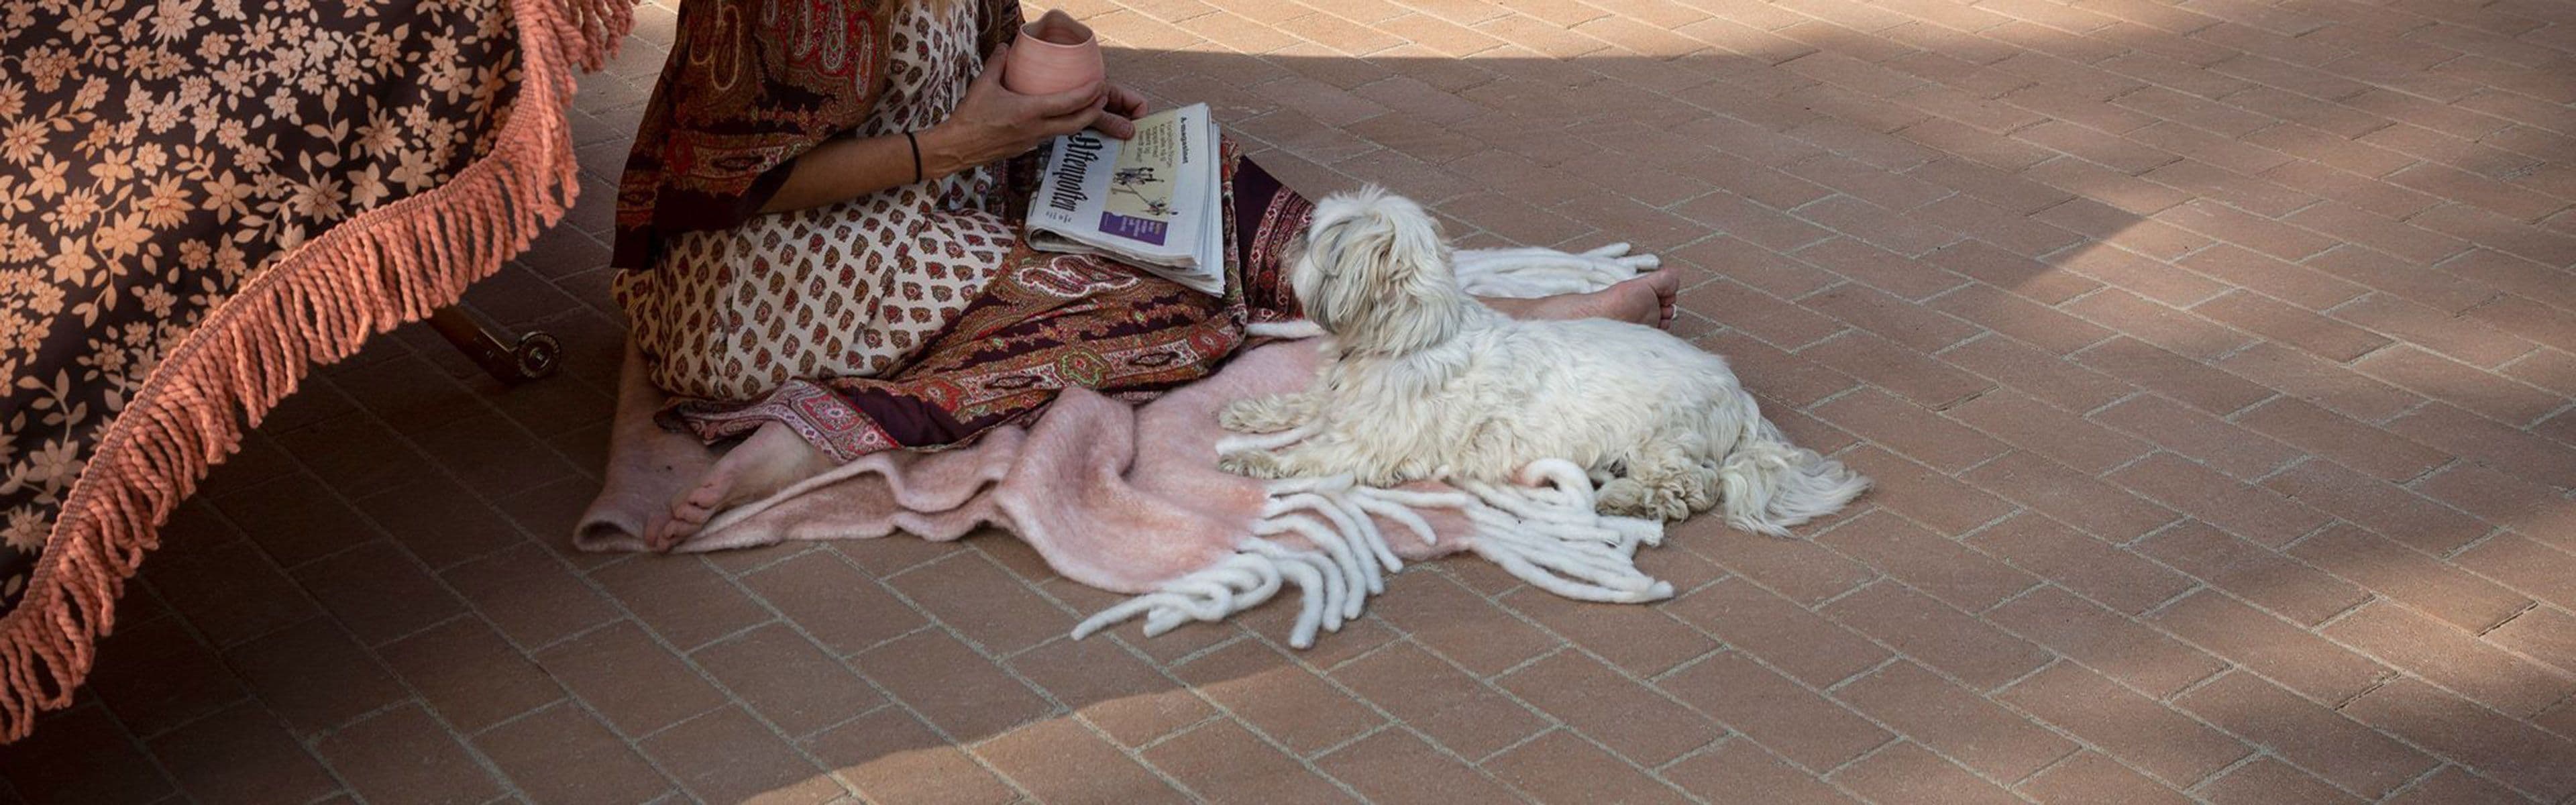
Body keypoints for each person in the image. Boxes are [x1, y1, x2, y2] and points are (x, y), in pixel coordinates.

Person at [610, 0, 1681, 548]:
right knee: (1160, 308)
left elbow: (959, 68)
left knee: (1194, 176)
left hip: (936, 186)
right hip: (769, 273)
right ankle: (820, 431)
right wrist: (964, 145)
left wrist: (1054, 99)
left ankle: (1478, 316)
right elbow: (722, 186)